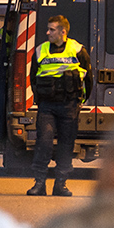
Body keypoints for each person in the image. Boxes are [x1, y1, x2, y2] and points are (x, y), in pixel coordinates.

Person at [26, 14, 92, 197]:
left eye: (52, 30)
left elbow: (89, 78)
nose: (48, 33)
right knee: (44, 143)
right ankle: (39, 184)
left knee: (66, 146)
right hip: (47, 105)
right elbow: (33, 78)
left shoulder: (77, 50)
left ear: (63, 32)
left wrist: (80, 101)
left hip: (69, 105)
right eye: (48, 29)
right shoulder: (40, 51)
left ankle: (60, 185)